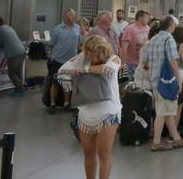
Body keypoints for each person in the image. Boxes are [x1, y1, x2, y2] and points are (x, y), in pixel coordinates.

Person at [57, 36, 121, 179]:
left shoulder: (114, 58)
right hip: (85, 113)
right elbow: (62, 70)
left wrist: (83, 69)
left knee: (104, 153)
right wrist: (77, 68)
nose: (92, 57)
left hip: (108, 113)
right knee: (88, 153)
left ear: (103, 51)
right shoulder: (83, 56)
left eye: (96, 54)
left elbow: (107, 70)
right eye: (89, 53)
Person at [142, 16, 183, 151]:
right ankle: (156, 143)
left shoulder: (152, 40)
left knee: (167, 110)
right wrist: (179, 80)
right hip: (167, 81)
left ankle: (177, 139)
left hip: (155, 81)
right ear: (171, 26)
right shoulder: (169, 39)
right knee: (162, 112)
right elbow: (173, 61)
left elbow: (145, 62)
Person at [0, 17, 27, 97]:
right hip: (22, 51)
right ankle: (19, 90)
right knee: (18, 72)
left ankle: (20, 90)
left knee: (11, 73)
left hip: (13, 54)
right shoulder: (8, 27)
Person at [121, 10, 151, 77]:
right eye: (147, 18)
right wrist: (124, 61)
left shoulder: (148, 28)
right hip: (132, 63)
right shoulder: (130, 29)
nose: (148, 20)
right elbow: (124, 46)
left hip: (143, 63)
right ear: (140, 18)